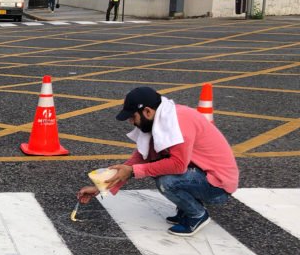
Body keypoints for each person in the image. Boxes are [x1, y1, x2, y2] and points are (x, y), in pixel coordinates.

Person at [77, 87, 239, 237]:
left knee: (165, 180)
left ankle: (197, 214)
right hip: (201, 175)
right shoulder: (161, 119)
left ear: (147, 111)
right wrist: (100, 186)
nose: (132, 123)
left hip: (218, 187)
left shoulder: (179, 122)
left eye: (133, 117)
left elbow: (177, 164)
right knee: (154, 167)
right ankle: (186, 208)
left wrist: (133, 171)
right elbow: (140, 157)